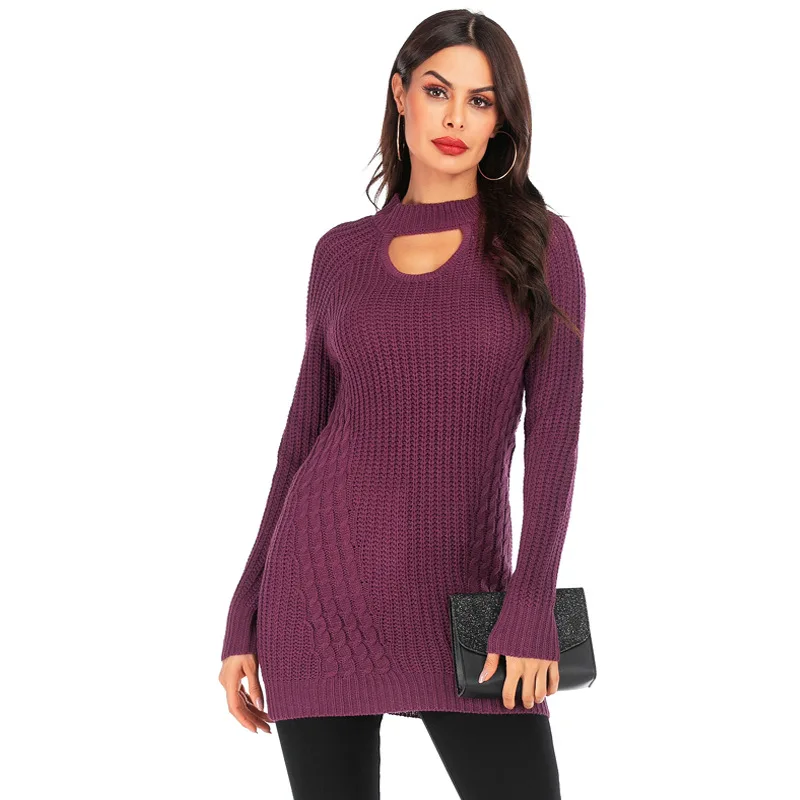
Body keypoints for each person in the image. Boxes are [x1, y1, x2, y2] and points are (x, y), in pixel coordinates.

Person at [218, 9, 586, 800]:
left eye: (480, 101)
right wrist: (243, 609)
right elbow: (300, 440)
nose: (455, 119)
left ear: (502, 121)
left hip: (468, 604)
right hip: (318, 592)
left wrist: (532, 603)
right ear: (400, 95)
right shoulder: (340, 253)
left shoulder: (540, 244)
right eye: (437, 91)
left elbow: (554, 443)